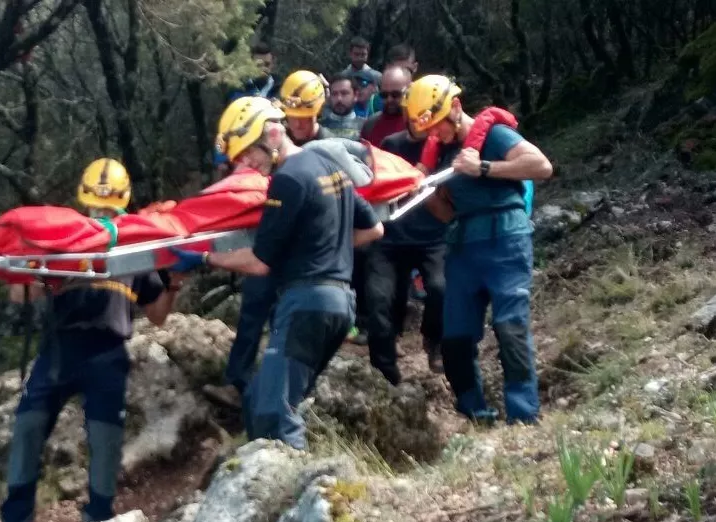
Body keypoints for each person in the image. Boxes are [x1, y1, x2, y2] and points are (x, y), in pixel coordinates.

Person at [0, 158, 181, 522]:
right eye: (96, 208)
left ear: (122, 208)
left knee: (105, 442)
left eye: (109, 209)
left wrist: (175, 280)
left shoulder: (136, 252)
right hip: (59, 349)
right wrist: (41, 275)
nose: (102, 215)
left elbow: (160, 314)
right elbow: (17, 297)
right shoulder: (64, 242)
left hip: (107, 353)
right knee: (26, 431)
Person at [172, 97, 384, 448]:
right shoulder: (328, 165)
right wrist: (321, 246)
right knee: (257, 400)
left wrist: (206, 259)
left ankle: (290, 488)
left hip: (306, 305)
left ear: (271, 133)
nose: (247, 163)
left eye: (248, 153)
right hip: (339, 304)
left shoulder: (287, 180)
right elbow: (373, 230)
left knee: (275, 411)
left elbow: (259, 263)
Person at [405, 75, 553, 424]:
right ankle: (474, 411)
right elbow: (445, 213)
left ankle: (523, 415)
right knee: (455, 336)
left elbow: (541, 166)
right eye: (428, 129)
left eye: (438, 125)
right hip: (464, 247)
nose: (434, 134)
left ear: (455, 107)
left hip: (506, 241)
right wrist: (422, 197)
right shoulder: (438, 151)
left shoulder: (495, 135)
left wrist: (483, 167)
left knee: (510, 327)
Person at [366, 123, 447, 385]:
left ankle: (433, 338)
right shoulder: (391, 143)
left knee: (440, 287)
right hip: (392, 235)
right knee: (380, 298)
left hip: (433, 236)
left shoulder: (445, 144)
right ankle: (385, 369)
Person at [361, 66, 411, 148]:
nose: (389, 99)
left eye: (396, 94)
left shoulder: (418, 126)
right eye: (384, 95)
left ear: (410, 90)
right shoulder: (370, 125)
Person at [279, 70, 334, 145]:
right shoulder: (278, 143)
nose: (297, 124)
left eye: (303, 118)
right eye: (292, 117)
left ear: (318, 111)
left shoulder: (330, 146)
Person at [320, 75, 365, 140]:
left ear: (356, 96)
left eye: (344, 93)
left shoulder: (366, 127)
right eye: (334, 94)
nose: (339, 99)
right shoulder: (318, 127)